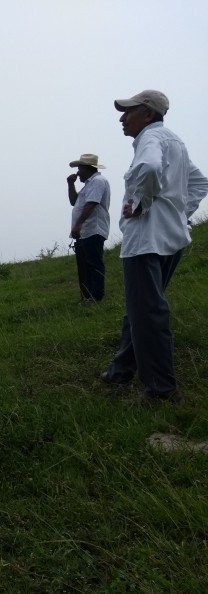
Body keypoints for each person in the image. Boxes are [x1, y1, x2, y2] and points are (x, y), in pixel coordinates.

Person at [101, 90, 208, 400]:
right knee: (141, 307)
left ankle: (161, 389)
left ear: (147, 114)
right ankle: (120, 370)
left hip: (145, 241)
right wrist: (179, 214)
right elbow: (200, 182)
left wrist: (141, 204)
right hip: (171, 240)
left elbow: (148, 169)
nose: (122, 118)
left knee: (148, 312)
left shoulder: (150, 140)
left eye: (128, 111)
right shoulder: (174, 142)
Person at [66, 153, 111, 302]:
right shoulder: (89, 185)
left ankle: (96, 295)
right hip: (86, 231)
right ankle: (88, 295)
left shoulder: (98, 181)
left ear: (88, 168)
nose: (78, 173)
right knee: (87, 264)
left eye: (80, 168)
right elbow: (74, 201)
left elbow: (91, 204)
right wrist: (71, 184)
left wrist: (78, 225)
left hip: (93, 229)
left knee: (93, 263)